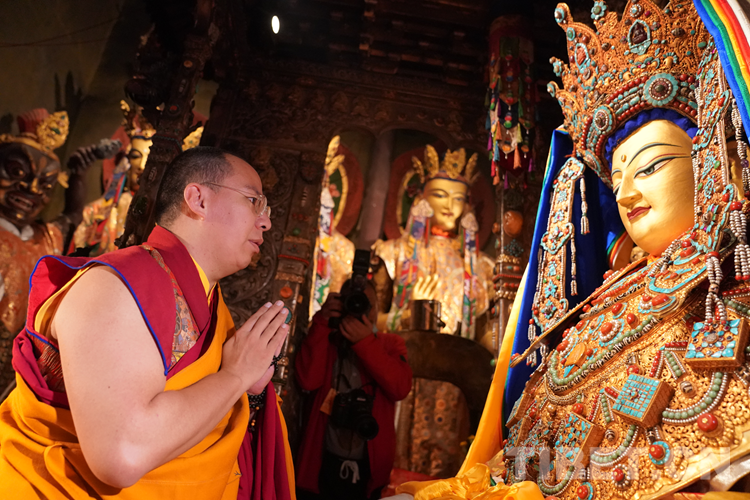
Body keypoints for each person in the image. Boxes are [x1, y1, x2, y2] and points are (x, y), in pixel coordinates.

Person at [395, 0, 750, 498]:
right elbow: (519, 467)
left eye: (650, 167)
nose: (626, 194)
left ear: (711, 160)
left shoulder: (728, 293)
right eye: (617, 179)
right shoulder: (601, 303)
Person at [0, 146, 296, 499]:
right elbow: (122, 455)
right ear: (198, 200)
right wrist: (234, 376)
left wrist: (247, 392)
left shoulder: (212, 307)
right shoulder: (116, 285)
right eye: (253, 201)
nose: (265, 221)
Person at [295, 278, 413, 500]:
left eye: (364, 303)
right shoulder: (327, 340)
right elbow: (307, 381)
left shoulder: (390, 344)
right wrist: (321, 322)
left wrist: (366, 342)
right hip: (322, 462)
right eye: (351, 302)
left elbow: (400, 388)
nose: (357, 308)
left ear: (375, 310)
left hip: (368, 466)